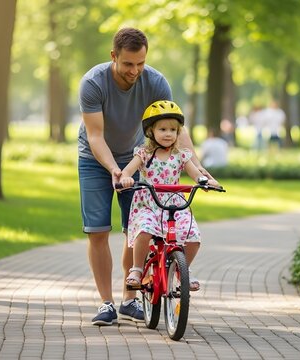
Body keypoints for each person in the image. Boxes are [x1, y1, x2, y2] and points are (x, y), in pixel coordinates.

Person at [78, 28, 206, 326]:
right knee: (98, 230)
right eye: (127, 64)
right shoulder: (93, 83)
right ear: (114, 57)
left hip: (138, 158)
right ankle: (106, 303)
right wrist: (114, 170)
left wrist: (199, 169)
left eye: (140, 63)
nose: (134, 71)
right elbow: (96, 136)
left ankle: (129, 299)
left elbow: (176, 132)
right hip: (95, 159)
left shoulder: (156, 82)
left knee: (134, 230)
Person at [119, 100, 220, 293]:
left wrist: (204, 181)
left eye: (173, 130)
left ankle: (183, 271)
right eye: (163, 129)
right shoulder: (144, 154)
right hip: (148, 204)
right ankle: (138, 270)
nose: (168, 134)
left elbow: (195, 173)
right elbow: (127, 171)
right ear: (151, 131)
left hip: (174, 205)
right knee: (144, 230)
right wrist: (125, 179)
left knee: (193, 236)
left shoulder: (181, 155)